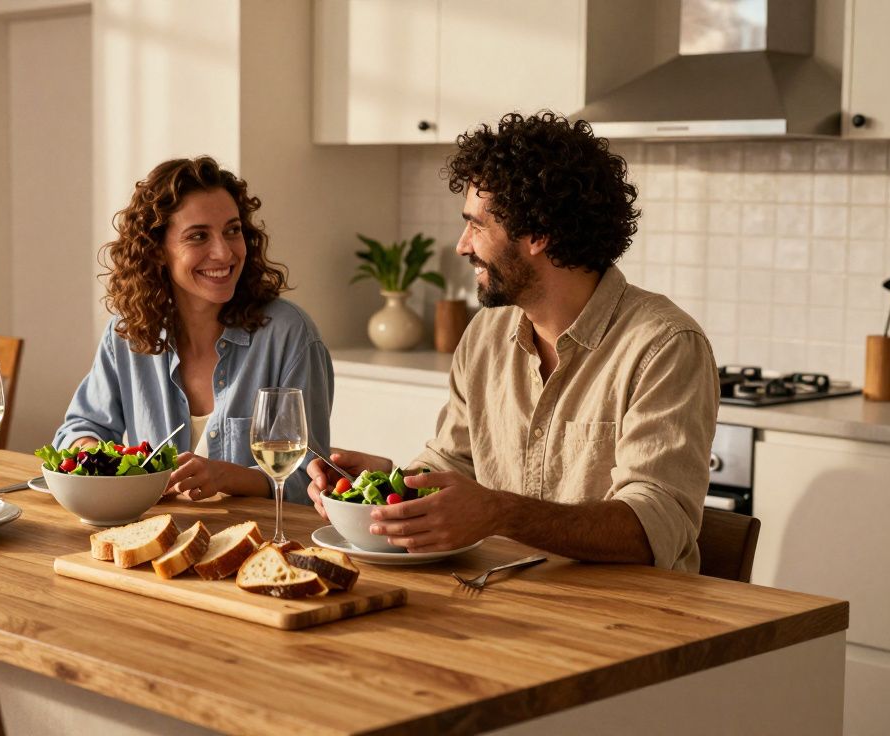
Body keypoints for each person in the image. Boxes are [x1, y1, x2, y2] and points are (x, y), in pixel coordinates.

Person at [308, 112, 718, 572]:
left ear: (539, 234)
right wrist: (382, 487)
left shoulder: (662, 345)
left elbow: (653, 526)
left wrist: (499, 512)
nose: (462, 246)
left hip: (625, 620)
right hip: (502, 598)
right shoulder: (485, 334)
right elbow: (455, 463)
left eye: (477, 225)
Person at [55, 156, 333, 504]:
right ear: (157, 251)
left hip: (258, 544)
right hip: (156, 540)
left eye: (232, 230)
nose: (224, 251)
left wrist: (228, 476)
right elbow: (77, 430)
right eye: (198, 236)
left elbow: (312, 481)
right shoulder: (127, 334)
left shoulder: (289, 335)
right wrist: (95, 455)